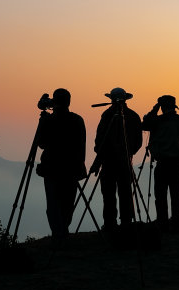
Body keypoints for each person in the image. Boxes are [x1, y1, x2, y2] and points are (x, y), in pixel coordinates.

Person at [36, 88, 86, 239]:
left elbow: (42, 143)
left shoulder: (49, 121)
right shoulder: (77, 120)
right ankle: (63, 230)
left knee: (53, 204)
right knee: (67, 203)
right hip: (72, 169)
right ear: (69, 101)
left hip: (51, 169)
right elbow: (81, 145)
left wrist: (43, 122)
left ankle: (58, 233)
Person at [92, 88, 142, 227]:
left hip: (108, 162)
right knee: (126, 193)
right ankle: (126, 222)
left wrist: (100, 156)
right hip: (126, 162)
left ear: (111, 99)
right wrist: (128, 152)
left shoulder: (108, 114)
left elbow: (100, 139)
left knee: (108, 195)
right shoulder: (133, 115)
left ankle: (110, 224)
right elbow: (138, 142)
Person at [142, 95, 179, 231]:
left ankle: (163, 223)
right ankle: (177, 222)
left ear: (162, 107)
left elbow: (144, 125)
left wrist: (154, 109)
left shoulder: (159, 121)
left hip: (163, 162)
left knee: (161, 194)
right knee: (177, 193)